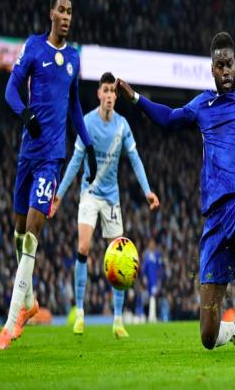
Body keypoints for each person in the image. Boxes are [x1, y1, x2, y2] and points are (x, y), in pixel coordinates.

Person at [115, 32, 235, 353]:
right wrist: (135, 99)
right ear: (212, 69)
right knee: (208, 336)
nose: (226, 71)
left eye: (230, 64)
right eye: (220, 66)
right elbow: (168, 118)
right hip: (215, 217)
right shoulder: (202, 105)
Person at [0, 0, 97, 350]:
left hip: (52, 158)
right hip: (28, 154)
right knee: (19, 233)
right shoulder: (34, 47)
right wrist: (24, 114)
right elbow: (10, 90)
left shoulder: (74, 59)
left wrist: (89, 146)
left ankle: (10, 323)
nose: (66, 17)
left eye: (71, 12)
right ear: (51, 12)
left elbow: (75, 108)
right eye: (62, 10)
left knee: (33, 233)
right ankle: (30, 301)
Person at [51, 72, 160, 338]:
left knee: (119, 255)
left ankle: (118, 320)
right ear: (99, 93)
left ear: (116, 96)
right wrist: (59, 195)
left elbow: (135, 159)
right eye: (106, 90)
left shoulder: (122, 126)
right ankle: (79, 312)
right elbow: (75, 162)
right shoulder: (87, 122)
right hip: (90, 192)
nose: (110, 95)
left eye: (113, 91)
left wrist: (147, 191)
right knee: (83, 247)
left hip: (112, 197)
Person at [142, 237, 164, 322]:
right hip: (149, 280)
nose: (152, 245)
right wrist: (144, 277)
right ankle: (151, 316)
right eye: (150, 243)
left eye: (153, 243)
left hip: (155, 280)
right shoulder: (147, 255)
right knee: (151, 297)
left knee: (153, 296)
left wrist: (160, 279)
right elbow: (144, 268)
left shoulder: (158, 255)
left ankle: (153, 316)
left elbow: (160, 267)